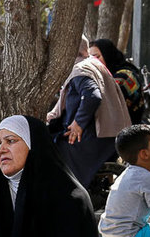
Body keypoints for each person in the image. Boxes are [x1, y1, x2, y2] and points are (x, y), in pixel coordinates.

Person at [47, 37, 130, 188]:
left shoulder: (80, 68)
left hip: (92, 138)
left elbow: (92, 96)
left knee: (50, 151)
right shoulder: (92, 63)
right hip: (107, 136)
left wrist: (78, 123)